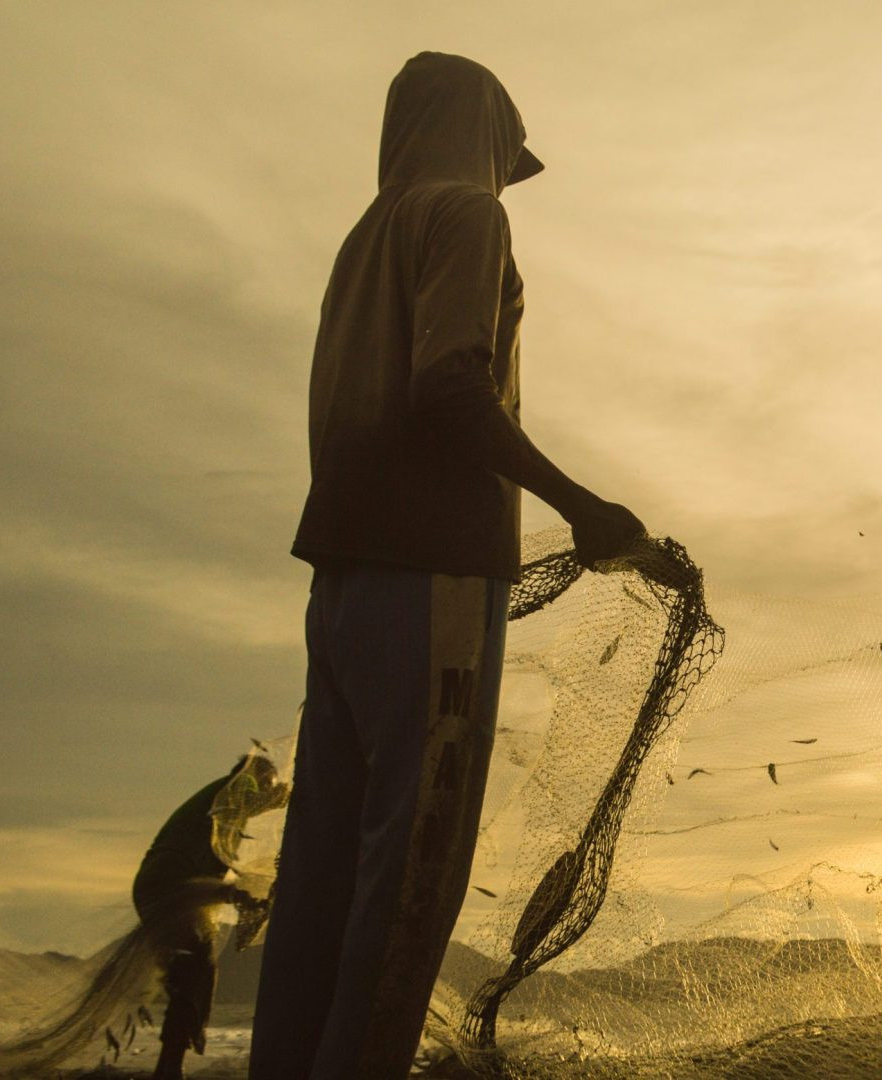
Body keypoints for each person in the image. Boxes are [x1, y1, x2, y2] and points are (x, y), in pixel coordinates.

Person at [251, 52, 646, 1080]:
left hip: (337, 579)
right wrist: (584, 508)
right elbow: (450, 388)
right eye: (500, 155)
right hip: (427, 573)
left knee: (321, 868)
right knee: (409, 867)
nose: (504, 177)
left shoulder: (362, 238)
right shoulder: (469, 218)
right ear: (480, 132)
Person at [135, 756, 286, 1080]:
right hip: (172, 880)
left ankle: (170, 1063)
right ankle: (171, 1066)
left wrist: (237, 894)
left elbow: (213, 867)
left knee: (195, 968)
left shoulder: (223, 807)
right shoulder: (235, 788)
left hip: (161, 881)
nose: (268, 789)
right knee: (197, 967)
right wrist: (296, 792)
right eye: (268, 781)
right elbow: (256, 801)